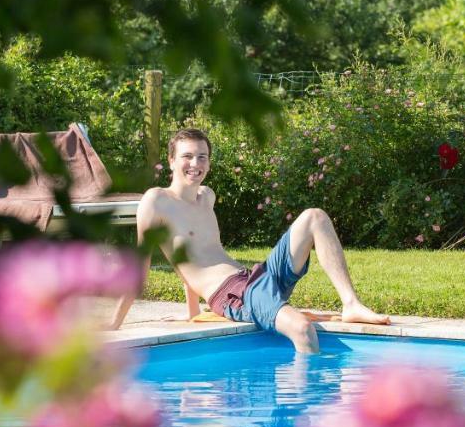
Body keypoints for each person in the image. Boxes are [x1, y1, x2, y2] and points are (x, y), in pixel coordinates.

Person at [109, 128, 388, 352]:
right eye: (187, 156)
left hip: (253, 277)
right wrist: (114, 325)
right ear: (170, 161)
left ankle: (350, 303)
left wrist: (192, 313)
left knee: (315, 217)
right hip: (233, 293)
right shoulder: (156, 201)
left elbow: (192, 253)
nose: (195, 164)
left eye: (202, 156)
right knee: (301, 329)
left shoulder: (207, 196)